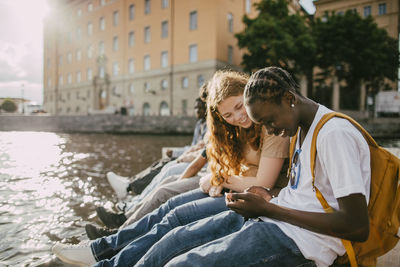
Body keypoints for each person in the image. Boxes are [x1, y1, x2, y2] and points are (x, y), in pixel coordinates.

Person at [133, 66, 371, 267]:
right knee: (177, 237)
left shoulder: (333, 135)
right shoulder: (302, 129)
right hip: (275, 219)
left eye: (269, 121)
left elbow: (356, 226)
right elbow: (310, 195)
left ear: (289, 99)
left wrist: (271, 210)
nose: (269, 130)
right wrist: (267, 196)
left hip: (303, 242)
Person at [52, 70, 289, 267]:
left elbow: (263, 183)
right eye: (228, 114)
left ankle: (106, 256)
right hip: (232, 189)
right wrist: (219, 178)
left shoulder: (269, 126)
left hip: (250, 195)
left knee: (175, 220)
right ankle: (102, 248)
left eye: (239, 107)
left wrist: (221, 178)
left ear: (248, 96)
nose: (238, 116)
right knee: (168, 208)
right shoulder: (237, 129)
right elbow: (221, 163)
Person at [93, 96, 207, 229]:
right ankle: (131, 198)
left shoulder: (211, 125)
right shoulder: (200, 124)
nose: (197, 110)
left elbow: (202, 151)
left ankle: (128, 207)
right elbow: (197, 147)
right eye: (195, 107)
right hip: (198, 162)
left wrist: (179, 155)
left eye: (200, 107)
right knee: (163, 167)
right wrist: (178, 154)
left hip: (202, 167)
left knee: (168, 172)